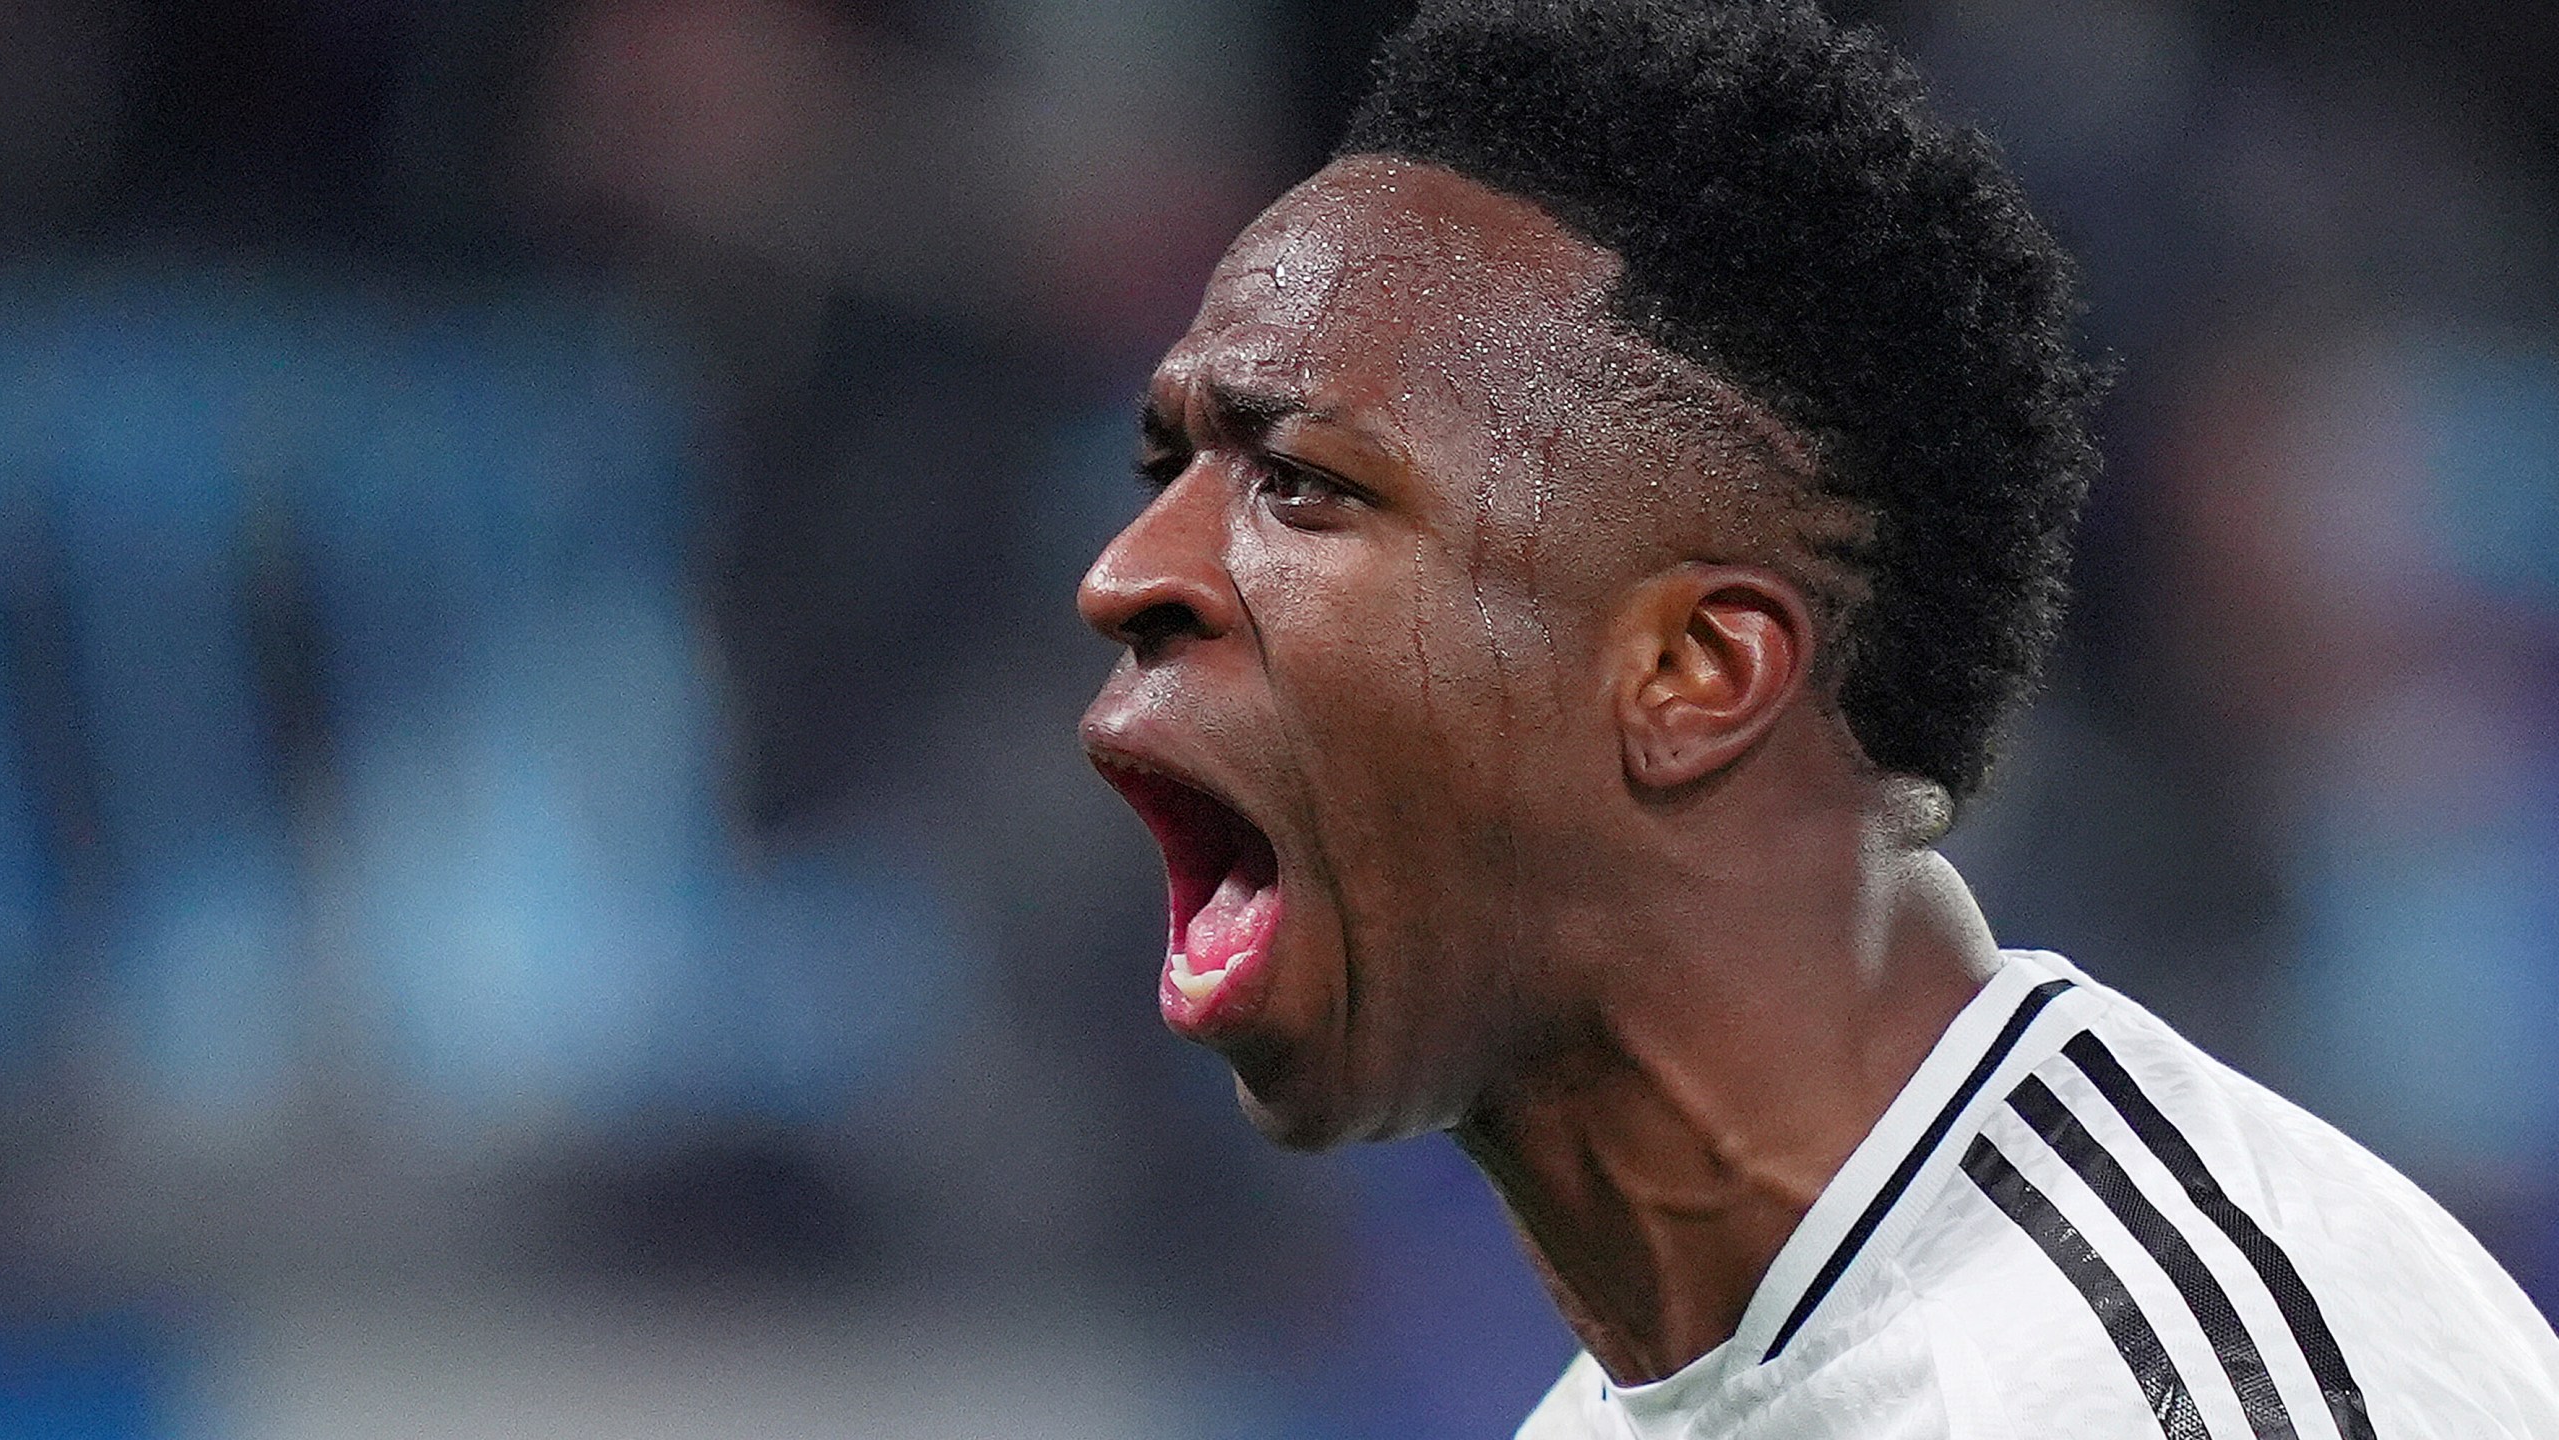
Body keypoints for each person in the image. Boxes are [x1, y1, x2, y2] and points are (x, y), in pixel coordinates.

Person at [1073, 0, 2559, 1434]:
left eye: (1303, 486)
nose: (1127, 574)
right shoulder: (1658, 1390)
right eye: (1168, 474)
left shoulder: (2165, 1392)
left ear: (1692, 676)